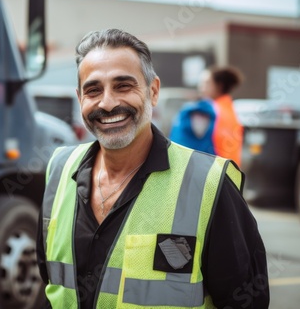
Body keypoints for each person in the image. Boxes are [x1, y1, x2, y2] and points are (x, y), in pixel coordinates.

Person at [36, 29, 269, 308]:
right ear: (80, 98)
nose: (107, 103)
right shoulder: (59, 169)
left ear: (153, 91)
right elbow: (52, 283)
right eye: (93, 90)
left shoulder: (209, 185)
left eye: (123, 86)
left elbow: (246, 302)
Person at [169, 66, 244, 167]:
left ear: (219, 86)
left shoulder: (203, 110)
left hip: (210, 171)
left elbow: (185, 144)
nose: (201, 87)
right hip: (229, 171)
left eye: (206, 83)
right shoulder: (231, 111)